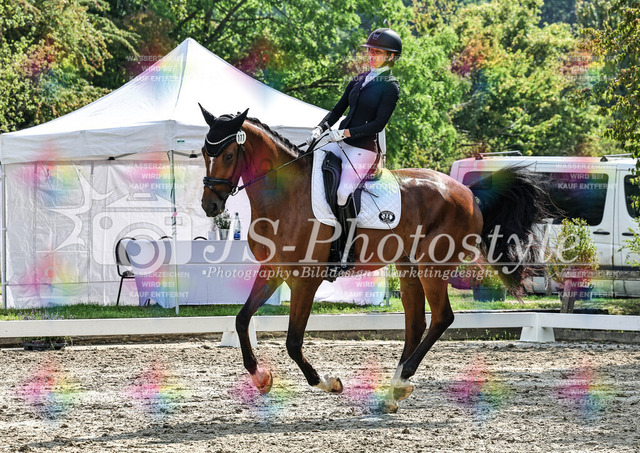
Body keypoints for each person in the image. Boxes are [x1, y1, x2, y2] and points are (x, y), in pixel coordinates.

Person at [306, 28, 402, 268]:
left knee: (342, 193)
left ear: (391, 57)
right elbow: (338, 109)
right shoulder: (359, 79)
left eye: (377, 52)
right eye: (370, 50)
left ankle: (345, 249)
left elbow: (378, 124)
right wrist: (321, 127)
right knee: (309, 164)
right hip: (340, 142)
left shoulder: (390, 87)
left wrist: (346, 132)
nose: (371, 55)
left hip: (363, 149)